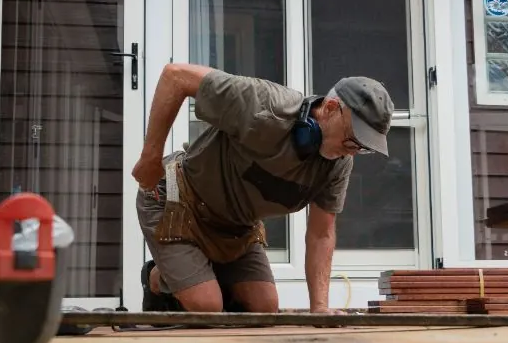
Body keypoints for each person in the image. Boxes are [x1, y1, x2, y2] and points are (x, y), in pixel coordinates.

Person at [131, 63, 394, 314]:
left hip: (236, 227)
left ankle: (200, 278)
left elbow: (321, 234)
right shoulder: (265, 105)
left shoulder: (338, 163)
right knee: (206, 306)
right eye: (351, 140)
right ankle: (157, 279)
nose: (353, 153)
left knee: (263, 307)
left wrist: (320, 307)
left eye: (362, 147)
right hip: (179, 201)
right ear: (330, 108)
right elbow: (175, 76)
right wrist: (150, 156)